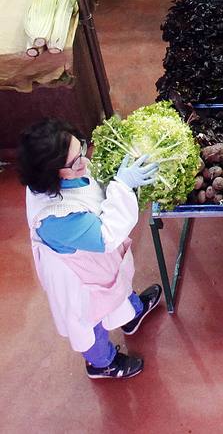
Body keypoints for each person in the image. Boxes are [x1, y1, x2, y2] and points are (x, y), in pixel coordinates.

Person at [20, 119, 163, 380]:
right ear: (51, 172)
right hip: (79, 279)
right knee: (90, 320)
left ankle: (132, 313)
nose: (84, 162)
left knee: (116, 283)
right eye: (75, 162)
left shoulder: (64, 173)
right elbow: (107, 236)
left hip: (94, 260)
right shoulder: (57, 218)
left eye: (82, 149)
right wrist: (122, 186)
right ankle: (101, 363)